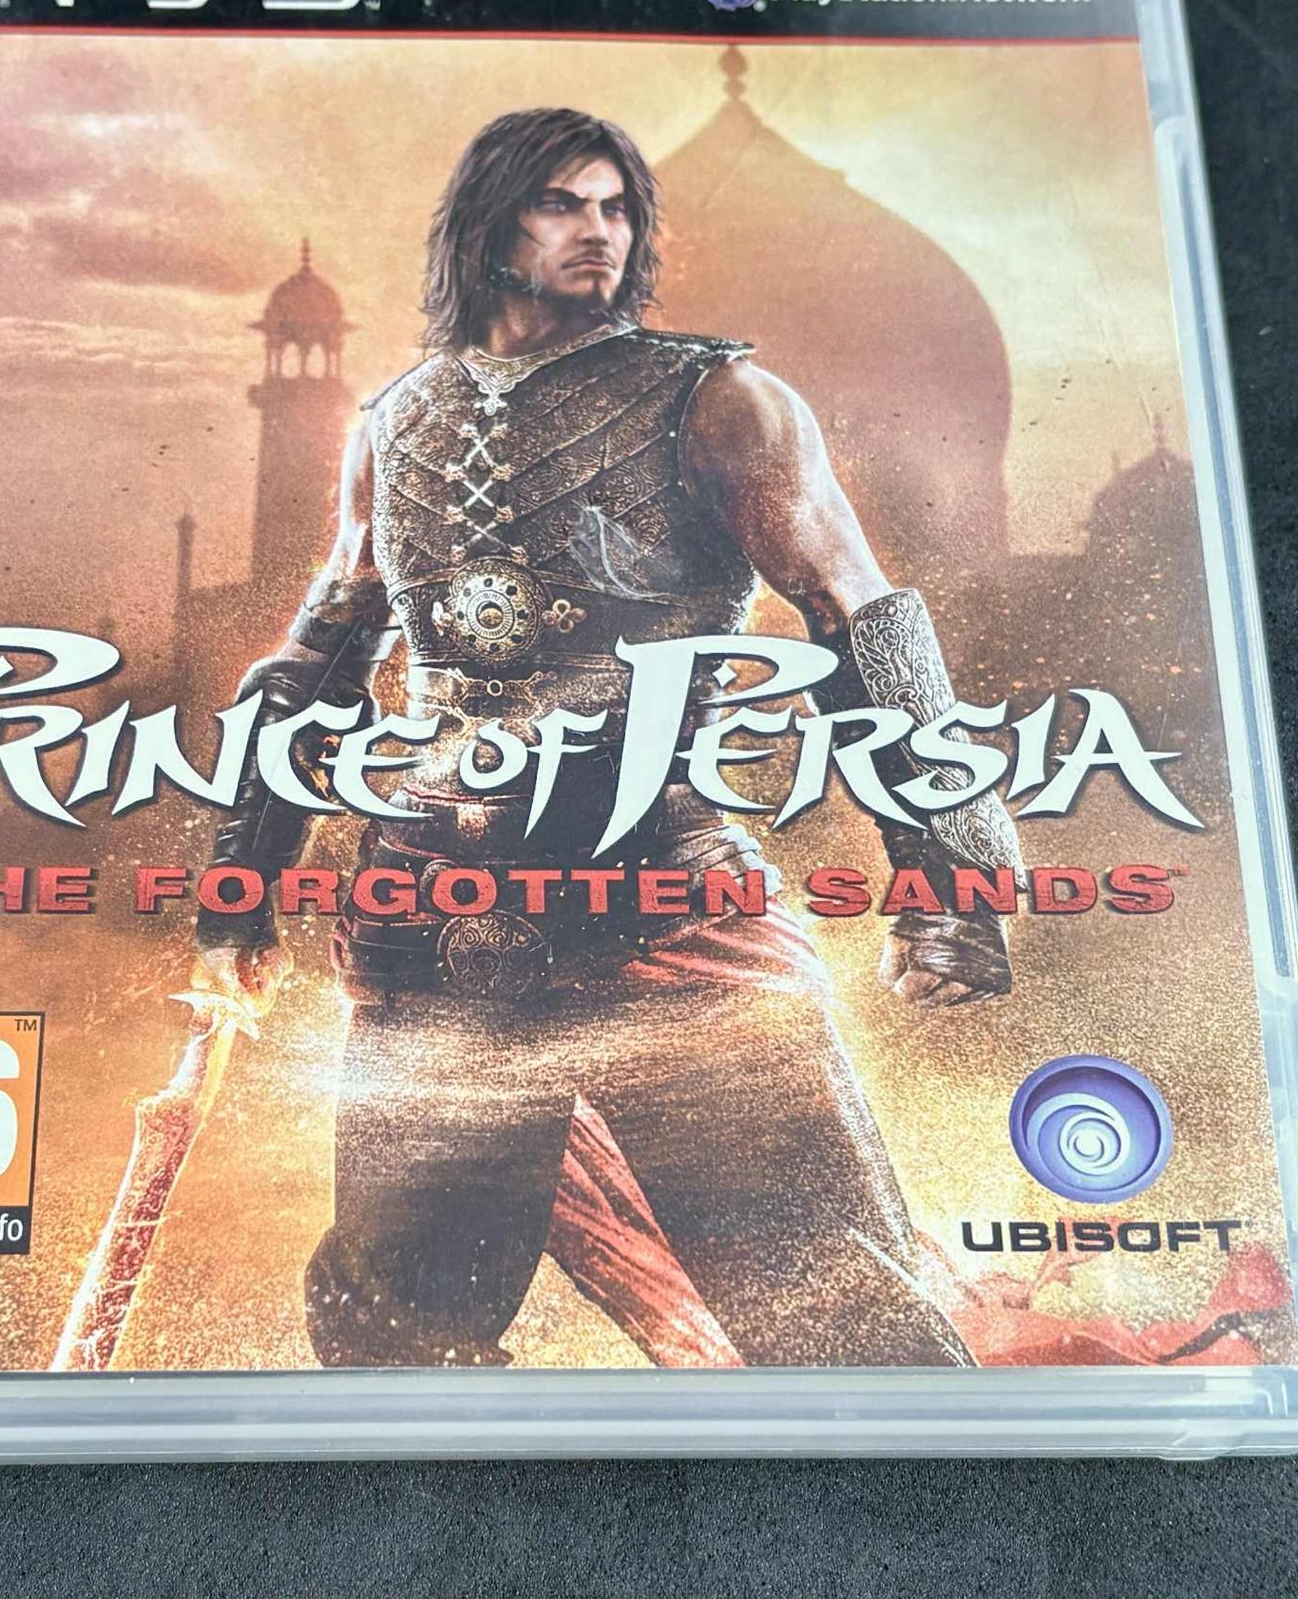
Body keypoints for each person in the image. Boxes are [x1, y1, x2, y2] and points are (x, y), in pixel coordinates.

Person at [197, 108, 1026, 1367]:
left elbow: (853, 617)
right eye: (561, 203)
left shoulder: (723, 403)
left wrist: (949, 877)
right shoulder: (396, 421)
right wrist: (236, 889)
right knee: (388, 1334)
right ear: (488, 227)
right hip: (433, 931)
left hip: (669, 917)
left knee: (843, 1324)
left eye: (616, 207)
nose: (599, 231)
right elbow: (321, 659)